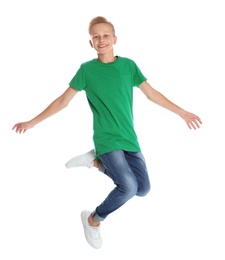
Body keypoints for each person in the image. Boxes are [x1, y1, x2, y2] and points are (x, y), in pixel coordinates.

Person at [12, 16, 202, 249]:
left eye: (105, 35)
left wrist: (182, 113)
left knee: (142, 189)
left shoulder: (128, 66)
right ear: (90, 42)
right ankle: (93, 219)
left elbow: (152, 94)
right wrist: (32, 122)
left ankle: (95, 162)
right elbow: (63, 100)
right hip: (106, 138)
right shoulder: (86, 71)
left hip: (129, 138)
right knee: (128, 187)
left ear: (114, 39)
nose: (101, 40)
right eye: (96, 37)